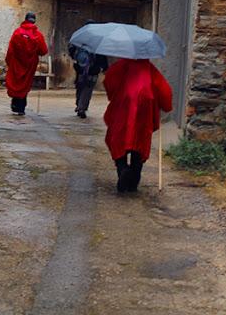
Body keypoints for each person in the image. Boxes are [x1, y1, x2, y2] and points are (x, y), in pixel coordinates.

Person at [103, 58, 172, 192]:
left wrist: (114, 95)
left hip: (123, 107)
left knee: (118, 139)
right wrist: (166, 106)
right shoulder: (150, 69)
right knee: (140, 142)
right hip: (144, 111)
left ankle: (122, 168)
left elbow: (109, 82)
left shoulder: (120, 66)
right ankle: (134, 180)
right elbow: (164, 90)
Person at [5, 12, 48, 115]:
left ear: (25, 19)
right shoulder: (38, 35)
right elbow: (43, 51)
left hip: (16, 63)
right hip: (30, 64)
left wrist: (9, 62)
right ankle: (21, 107)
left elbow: (10, 50)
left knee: (15, 82)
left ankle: (15, 105)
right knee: (25, 84)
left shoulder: (17, 32)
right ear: (34, 21)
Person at [69, 21, 108, 119]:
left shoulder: (79, 37)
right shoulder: (99, 39)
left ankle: (79, 104)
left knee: (80, 86)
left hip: (80, 68)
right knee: (88, 89)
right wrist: (105, 67)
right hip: (93, 69)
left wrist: (77, 60)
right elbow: (102, 55)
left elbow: (71, 50)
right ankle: (82, 108)